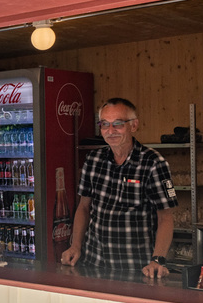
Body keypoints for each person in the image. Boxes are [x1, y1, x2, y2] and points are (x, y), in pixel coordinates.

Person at [60, 97, 178, 278]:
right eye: (105, 124)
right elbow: (83, 208)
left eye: (118, 124)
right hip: (93, 264)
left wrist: (158, 259)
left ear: (134, 125)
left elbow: (165, 218)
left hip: (136, 268)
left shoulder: (153, 163)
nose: (110, 131)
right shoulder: (93, 160)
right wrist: (75, 245)